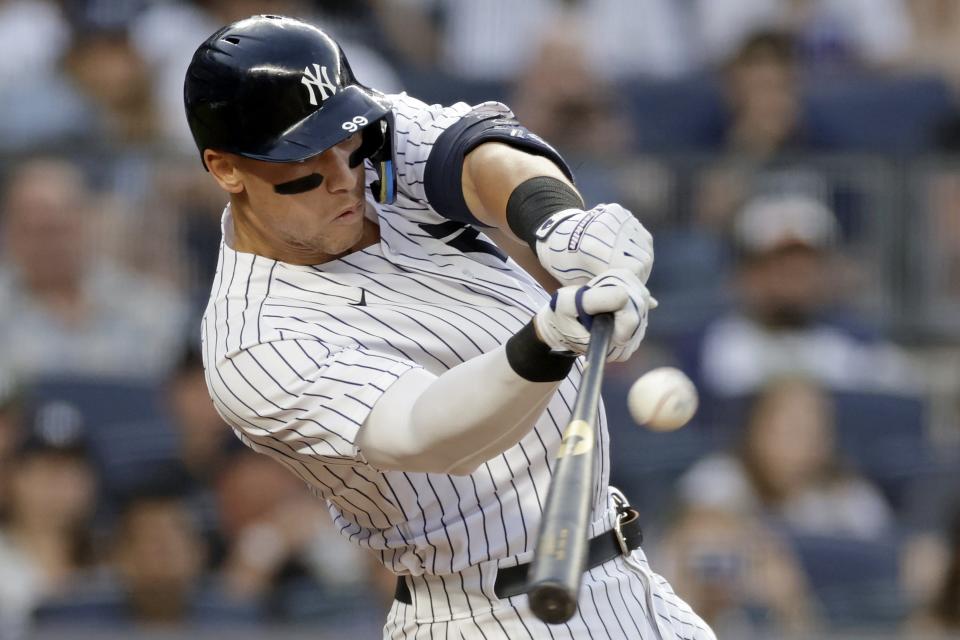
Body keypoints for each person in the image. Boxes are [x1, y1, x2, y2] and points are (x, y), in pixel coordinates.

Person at [184, 14, 713, 639]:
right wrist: (545, 341)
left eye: (349, 147)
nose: (345, 178)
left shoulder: (363, 145)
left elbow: (479, 152)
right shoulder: (253, 341)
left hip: (629, 579)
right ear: (225, 168)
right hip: (489, 613)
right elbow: (428, 432)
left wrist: (559, 225)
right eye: (305, 163)